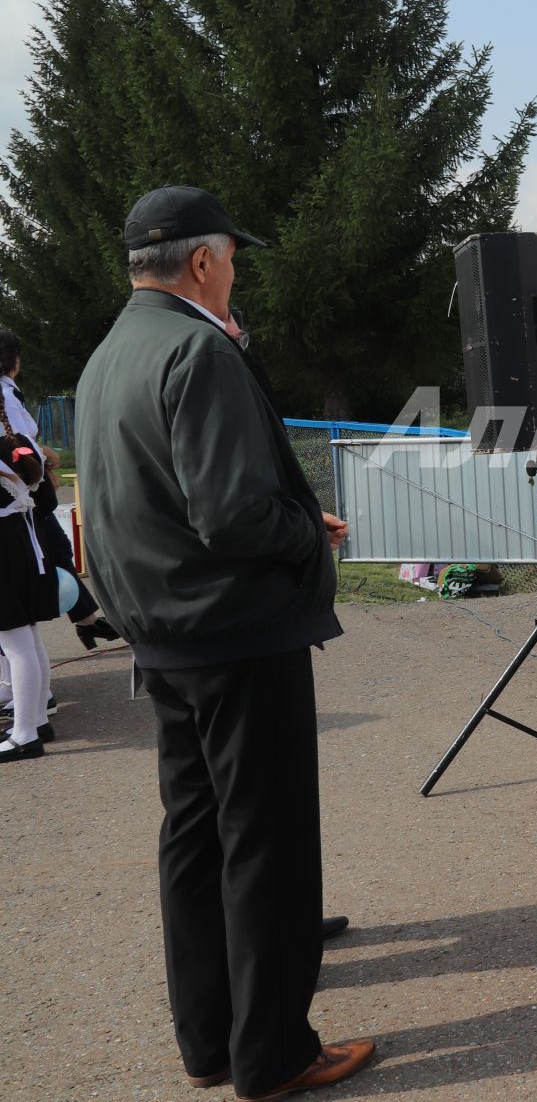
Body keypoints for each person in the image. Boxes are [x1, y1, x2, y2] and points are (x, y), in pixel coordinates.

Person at [74, 188, 374, 1096]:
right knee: (268, 844)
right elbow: (232, 511)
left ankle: (209, 1043)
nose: (235, 271)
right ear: (203, 262)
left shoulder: (110, 353)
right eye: (233, 258)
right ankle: (275, 1054)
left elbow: (134, 501)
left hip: (165, 633)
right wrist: (303, 532)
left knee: (196, 836)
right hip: (236, 630)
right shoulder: (199, 350)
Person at [0, 332, 119, 650]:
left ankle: (86, 621)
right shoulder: (4, 394)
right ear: (15, 360)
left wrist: (41, 457)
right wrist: (42, 460)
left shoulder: (9, 393)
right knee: (24, 584)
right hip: (16, 499)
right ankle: (27, 687)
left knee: (57, 549)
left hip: (21, 494)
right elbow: (15, 447)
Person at [0, 430, 57, 762]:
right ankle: (35, 720)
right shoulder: (13, 440)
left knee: (15, 643)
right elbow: (47, 501)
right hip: (24, 543)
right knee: (28, 639)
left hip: (6, 550)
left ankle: (25, 734)